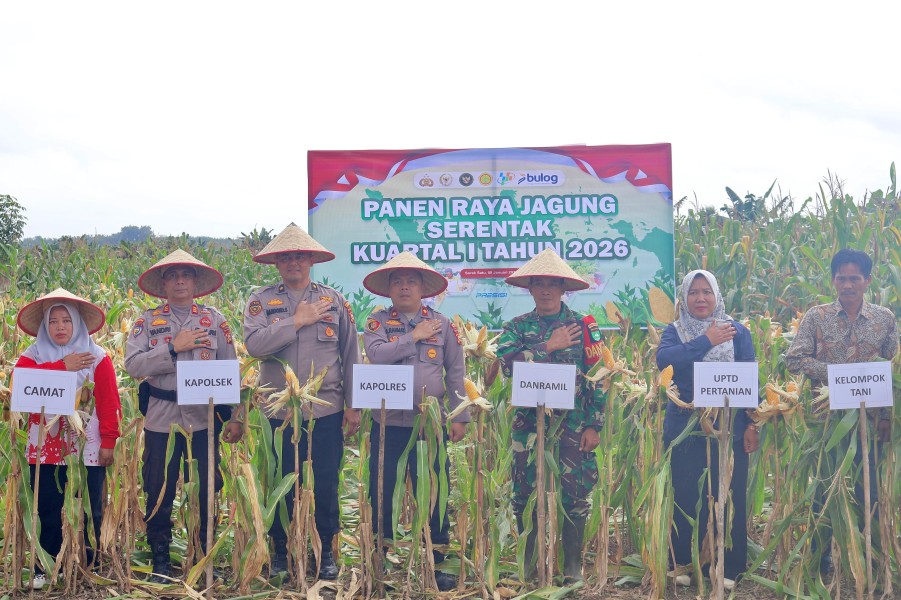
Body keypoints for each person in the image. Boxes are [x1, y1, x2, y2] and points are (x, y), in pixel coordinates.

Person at [243, 223, 361, 580]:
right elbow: (254, 346)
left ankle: (324, 553)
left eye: (299, 256)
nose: (293, 262)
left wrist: (353, 405)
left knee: (324, 482)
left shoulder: (335, 301)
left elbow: (350, 354)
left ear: (310, 260)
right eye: (286, 257)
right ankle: (281, 551)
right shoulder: (261, 302)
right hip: (278, 412)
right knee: (280, 480)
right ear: (277, 263)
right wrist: (296, 321)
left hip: (325, 410)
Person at [125, 249, 244, 583]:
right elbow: (133, 366)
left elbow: (230, 369)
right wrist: (172, 348)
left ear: (195, 282)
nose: (179, 280)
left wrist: (236, 416)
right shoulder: (146, 322)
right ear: (163, 283)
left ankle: (202, 554)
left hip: (203, 420)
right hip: (161, 418)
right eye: (172, 275)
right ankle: (161, 558)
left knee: (208, 488)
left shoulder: (215, 320)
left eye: (186, 275)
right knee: (158, 488)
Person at [495, 248, 606, 582]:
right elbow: (507, 367)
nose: (545, 290)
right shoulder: (516, 327)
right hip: (529, 425)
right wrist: (549, 346)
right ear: (529, 289)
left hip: (573, 427)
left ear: (563, 289)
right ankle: (529, 569)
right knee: (524, 495)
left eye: (552, 284)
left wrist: (594, 425)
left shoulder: (585, 327)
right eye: (538, 284)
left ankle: (572, 568)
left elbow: (598, 376)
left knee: (575, 495)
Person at [785, 248, 897, 574]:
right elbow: (794, 359)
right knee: (824, 489)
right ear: (833, 279)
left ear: (867, 281)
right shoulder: (816, 317)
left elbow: (894, 368)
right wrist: (835, 376)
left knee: (869, 493)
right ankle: (820, 564)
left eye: (855, 278)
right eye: (841, 278)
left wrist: (888, 416)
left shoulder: (884, 319)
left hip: (870, 420)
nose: (847, 285)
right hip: (827, 421)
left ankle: (872, 563)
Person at [362, 251, 469, 592]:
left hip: (430, 423)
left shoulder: (442, 324)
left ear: (423, 288)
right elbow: (376, 356)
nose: (405, 287)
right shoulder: (377, 323)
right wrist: (414, 337)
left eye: (411, 281)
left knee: (435, 491)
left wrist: (459, 414)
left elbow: (455, 371)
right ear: (389, 289)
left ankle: (439, 562)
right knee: (383, 491)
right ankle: (382, 562)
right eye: (398, 281)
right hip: (388, 422)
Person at [655, 270, 758, 590]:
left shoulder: (738, 331)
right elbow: (665, 361)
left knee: (730, 494)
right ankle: (682, 563)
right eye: (694, 292)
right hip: (685, 427)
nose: (701, 299)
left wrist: (752, 423)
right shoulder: (674, 331)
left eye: (707, 292)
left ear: (717, 296)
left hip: (730, 429)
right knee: (685, 494)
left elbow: (749, 378)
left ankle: (729, 565)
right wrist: (706, 341)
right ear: (684, 298)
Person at [16, 288, 122, 590]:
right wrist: (63, 366)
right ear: (44, 326)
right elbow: (21, 384)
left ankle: (88, 562)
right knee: (46, 504)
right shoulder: (32, 355)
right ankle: (45, 564)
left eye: (66, 320)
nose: (60, 327)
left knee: (87, 504)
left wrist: (109, 441)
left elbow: (108, 401)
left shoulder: (98, 357)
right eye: (53, 321)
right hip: (45, 441)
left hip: (85, 442)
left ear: (77, 323)